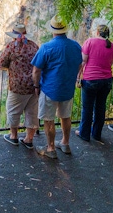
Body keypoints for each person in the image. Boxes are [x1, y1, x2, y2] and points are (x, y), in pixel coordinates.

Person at [31, 16, 82, 159]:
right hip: (67, 88)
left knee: (48, 119)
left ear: (52, 30)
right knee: (65, 116)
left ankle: (50, 148)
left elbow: (36, 70)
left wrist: (36, 86)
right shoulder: (76, 46)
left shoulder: (46, 47)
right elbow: (79, 64)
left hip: (49, 89)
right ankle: (65, 143)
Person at [0, 23, 40, 150]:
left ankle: (13, 136)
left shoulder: (11, 47)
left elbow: (2, 62)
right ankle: (29, 139)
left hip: (17, 85)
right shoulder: (33, 46)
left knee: (13, 110)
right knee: (32, 112)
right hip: (34, 84)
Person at [76, 24, 113, 142]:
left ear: (98, 32)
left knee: (87, 108)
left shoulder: (89, 42)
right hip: (106, 80)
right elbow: (111, 62)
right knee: (100, 107)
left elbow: (83, 61)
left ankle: (84, 134)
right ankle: (97, 134)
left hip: (90, 80)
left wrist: (78, 77)